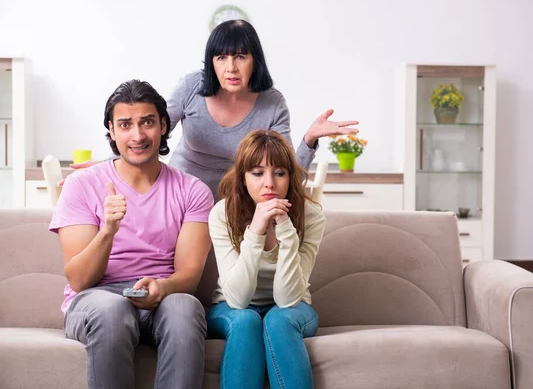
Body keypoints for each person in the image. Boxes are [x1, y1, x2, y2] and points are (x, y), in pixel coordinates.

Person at [66, 19, 358, 199]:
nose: (230, 67)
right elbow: (148, 131)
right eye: (221, 58)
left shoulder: (272, 102)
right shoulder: (191, 86)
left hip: (238, 200)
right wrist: (111, 164)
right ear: (211, 61)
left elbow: (284, 171)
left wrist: (309, 139)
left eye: (240, 57)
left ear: (254, 60)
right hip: (179, 192)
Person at [49, 79, 214, 388]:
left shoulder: (193, 191)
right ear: (112, 131)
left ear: (164, 125)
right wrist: (108, 231)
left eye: (147, 122)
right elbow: (79, 280)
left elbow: (189, 275)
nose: (137, 135)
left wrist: (162, 288)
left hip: (162, 296)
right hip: (96, 299)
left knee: (185, 307)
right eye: (125, 124)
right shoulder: (82, 185)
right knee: (112, 311)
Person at [206, 129, 327, 389]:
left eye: (279, 173)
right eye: (258, 173)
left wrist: (285, 230)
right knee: (247, 319)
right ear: (243, 178)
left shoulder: (312, 216)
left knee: (278, 319)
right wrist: (256, 230)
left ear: (290, 177)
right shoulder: (222, 214)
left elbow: (286, 300)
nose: (269, 183)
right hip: (231, 306)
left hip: (292, 306)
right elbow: (237, 300)